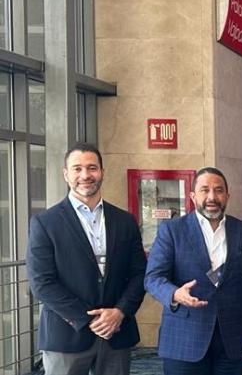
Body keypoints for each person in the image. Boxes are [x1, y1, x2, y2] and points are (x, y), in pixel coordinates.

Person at [27, 143, 147, 375]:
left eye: (92, 168)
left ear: (102, 172)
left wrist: (120, 312)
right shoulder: (45, 223)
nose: (85, 175)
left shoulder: (125, 221)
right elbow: (41, 282)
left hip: (117, 333)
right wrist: (88, 319)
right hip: (66, 335)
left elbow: (139, 274)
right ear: (66, 174)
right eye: (77, 168)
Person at [145, 167, 242, 374]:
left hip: (233, 341)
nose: (212, 197)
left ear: (227, 196)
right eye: (205, 190)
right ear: (193, 196)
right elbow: (153, 278)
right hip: (185, 338)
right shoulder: (172, 230)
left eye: (218, 190)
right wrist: (175, 294)